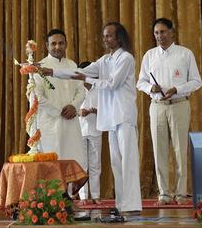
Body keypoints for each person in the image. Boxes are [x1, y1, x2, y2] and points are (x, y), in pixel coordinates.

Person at [41, 22, 142, 213]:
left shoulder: (126, 58)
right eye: (104, 36)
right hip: (112, 118)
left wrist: (86, 79)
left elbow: (112, 84)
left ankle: (132, 204)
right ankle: (122, 204)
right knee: (116, 163)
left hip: (124, 115)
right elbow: (80, 72)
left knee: (128, 161)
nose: (105, 39)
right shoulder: (105, 60)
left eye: (109, 36)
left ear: (119, 37)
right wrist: (52, 72)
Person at [137, 18, 202, 205]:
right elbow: (141, 82)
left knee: (180, 150)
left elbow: (197, 81)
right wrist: (151, 89)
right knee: (159, 150)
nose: (160, 36)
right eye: (156, 33)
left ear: (171, 32)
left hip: (179, 104)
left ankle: (181, 194)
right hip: (157, 107)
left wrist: (177, 89)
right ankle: (164, 193)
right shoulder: (149, 55)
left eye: (163, 32)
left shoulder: (185, 53)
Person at [34, 29, 86, 169]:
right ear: (47, 45)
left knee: (73, 161)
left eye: (61, 43)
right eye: (54, 44)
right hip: (51, 122)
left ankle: (70, 192)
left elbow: (81, 90)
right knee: (52, 164)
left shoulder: (72, 65)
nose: (57, 47)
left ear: (66, 44)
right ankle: (55, 192)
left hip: (71, 122)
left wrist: (74, 106)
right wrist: (60, 110)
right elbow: (37, 96)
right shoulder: (39, 67)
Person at [77, 61, 102, 205]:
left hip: (95, 130)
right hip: (79, 130)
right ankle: (83, 197)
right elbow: (68, 108)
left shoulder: (100, 89)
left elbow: (107, 109)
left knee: (95, 164)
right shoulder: (77, 89)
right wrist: (79, 112)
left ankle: (96, 196)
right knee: (81, 164)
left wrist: (97, 111)